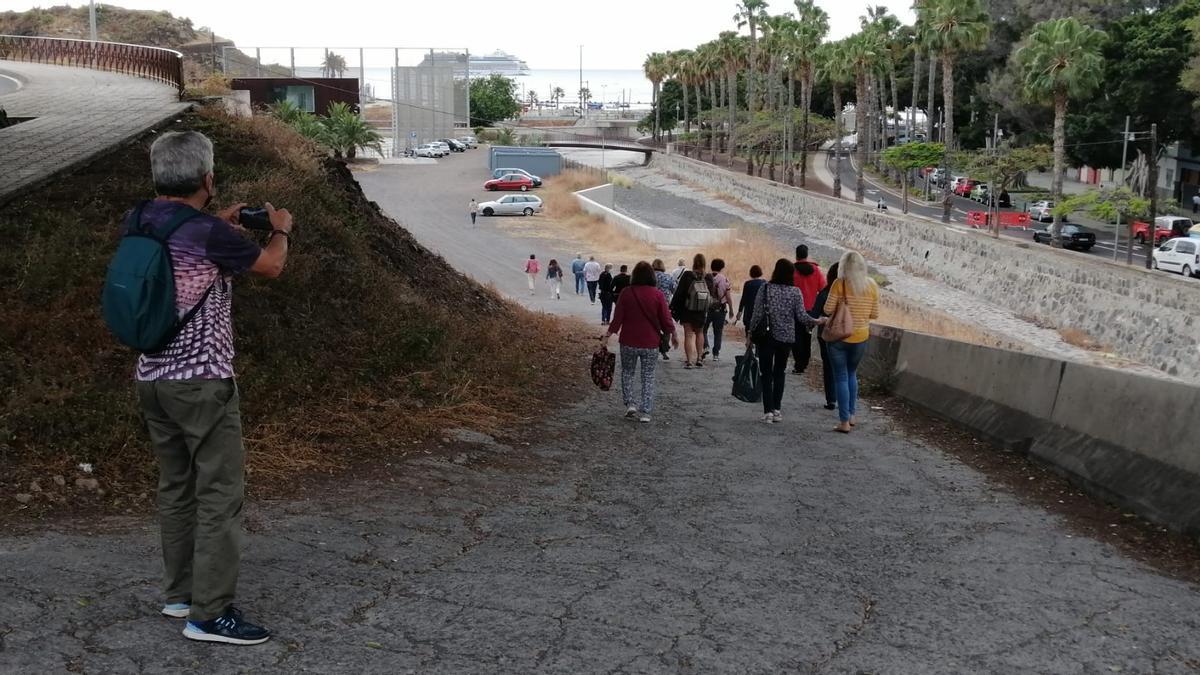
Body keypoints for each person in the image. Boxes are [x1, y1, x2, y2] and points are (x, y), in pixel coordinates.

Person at [134, 131, 291, 645]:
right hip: (201, 382)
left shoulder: (138, 219)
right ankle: (209, 614)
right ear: (208, 178)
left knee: (176, 487)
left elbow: (183, 259)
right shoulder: (205, 232)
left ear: (159, 175)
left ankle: (179, 594)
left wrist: (215, 222)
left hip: (152, 377)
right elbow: (270, 265)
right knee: (221, 493)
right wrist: (280, 230)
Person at [746, 259, 825, 423]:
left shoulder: (766, 288)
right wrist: (817, 321)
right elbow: (802, 316)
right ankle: (777, 410)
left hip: (766, 337)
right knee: (779, 373)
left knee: (766, 374)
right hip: (786, 338)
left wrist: (750, 334)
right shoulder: (795, 292)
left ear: (776, 271)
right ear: (791, 274)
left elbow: (757, 314)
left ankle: (767, 411)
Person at [605, 261, 678, 423]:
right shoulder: (658, 294)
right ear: (652, 276)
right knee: (648, 376)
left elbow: (618, 319)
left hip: (628, 341)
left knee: (627, 373)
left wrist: (608, 334)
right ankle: (646, 411)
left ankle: (630, 403)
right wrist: (673, 334)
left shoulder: (626, 293)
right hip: (650, 343)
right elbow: (666, 319)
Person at [823, 251, 880, 434]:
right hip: (861, 337)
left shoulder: (839, 284)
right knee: (851, 374)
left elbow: (827, 309)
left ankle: (844, 422)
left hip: (840, 337)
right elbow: (874, 314)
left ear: (843, 266)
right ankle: (852, 414)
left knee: (840, 376)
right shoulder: (871, 285)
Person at [669, 254, 709, 369]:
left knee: (688, 335)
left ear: (694, 262)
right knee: (700, 333)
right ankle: (700, 359)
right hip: (701, 310)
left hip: (687, 309)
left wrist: (673, 307)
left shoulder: (687, 275)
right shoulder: (707, 277)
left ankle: (689, 361)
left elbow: (679, 293)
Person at [791, 245, 826, 375]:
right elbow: (823, 289)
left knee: (796, 337)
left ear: (796, 255)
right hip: (811, 311)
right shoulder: (816, 270)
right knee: (807, 337)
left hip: (795, 310)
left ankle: (798, 364)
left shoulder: (792, 271)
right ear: (806, 255)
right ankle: (805, 362)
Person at [811, 262, 840, 411]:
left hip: (825, 335)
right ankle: (844, 399)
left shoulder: (824, 293)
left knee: (828, 367)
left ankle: (831, 399)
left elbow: (815, 314)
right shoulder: (850, 295)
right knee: (843, 368)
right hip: (845, 335)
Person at [701, 258, 734, 362]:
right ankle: (716, 354)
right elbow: (728, 296)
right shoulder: (724, 279)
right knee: (718, 332)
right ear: (722, 267)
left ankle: (705, 346)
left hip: (706, 308)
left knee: (703, 329)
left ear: (711, 266)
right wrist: (731, 309)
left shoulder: (705, 277)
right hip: (720, 308)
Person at [651, 259, 678, 360]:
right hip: (665, 306)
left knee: (653, 328)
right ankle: (664, 348)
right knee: (667, 328)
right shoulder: (668, 277)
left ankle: (655, 346)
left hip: (651, 306)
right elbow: (674, 289)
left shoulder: (650, 276)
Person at [735, 265, 766, 329]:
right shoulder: (764, 283)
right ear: (760, 272)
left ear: (751, 273)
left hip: (749, 314)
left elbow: (743, 299)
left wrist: (740, 311)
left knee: (748, 334)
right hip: (760, 315)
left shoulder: (748, 284)